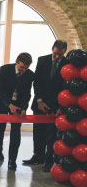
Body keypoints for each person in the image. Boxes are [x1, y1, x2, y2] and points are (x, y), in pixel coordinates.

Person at [24, 40, 69, 172]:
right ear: (52, 49)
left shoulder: (67, 64)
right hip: (40, 103)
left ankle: (49, 161)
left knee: (52, 135)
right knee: (38, 132)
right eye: (55, 53)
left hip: (56, 106)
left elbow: (66, 87)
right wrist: (39, 100)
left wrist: (62, 106)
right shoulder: (42, 60)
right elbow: (37, 82)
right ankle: (37, 156)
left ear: (64, 52)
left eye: (60, 55)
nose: (56, 57)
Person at [0, 52, 34, 171]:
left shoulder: (30, 75)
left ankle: (12, 160)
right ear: (17, 62)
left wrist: (24, 108)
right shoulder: (5, 69)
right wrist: (9, 104)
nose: (23, 70)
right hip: (3, 103)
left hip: (18, 106)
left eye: (26, 68)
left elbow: (27, 94)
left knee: (16, 133)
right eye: (21, 67)